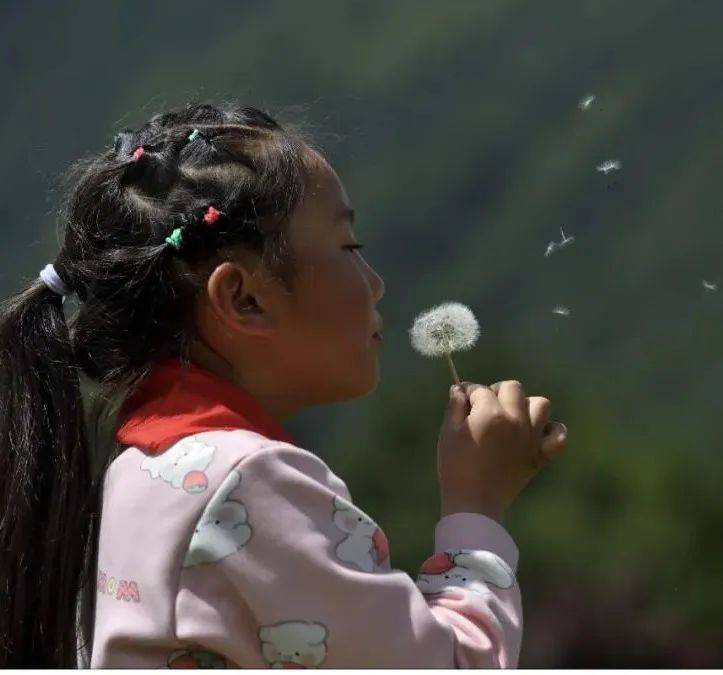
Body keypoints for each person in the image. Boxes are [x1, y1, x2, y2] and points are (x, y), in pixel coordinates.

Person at [0, 101, 569, 668]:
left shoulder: (137, 472)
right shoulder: (250, 483)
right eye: (350, 249)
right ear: (244, 299)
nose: (376, 285)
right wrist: (476, 507)